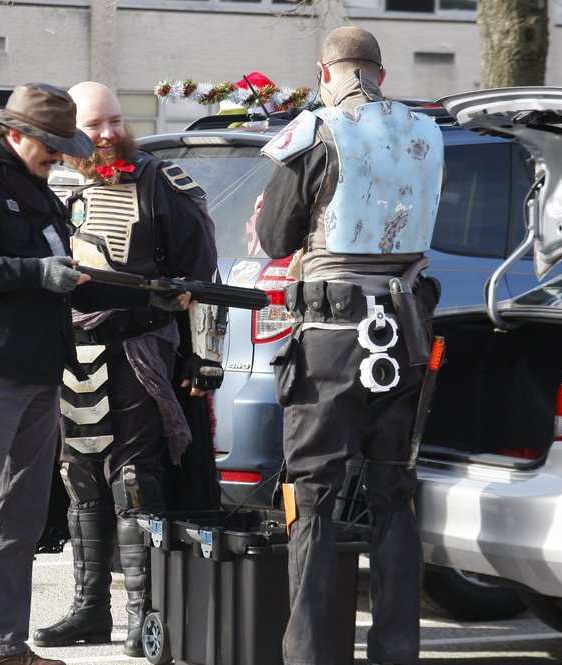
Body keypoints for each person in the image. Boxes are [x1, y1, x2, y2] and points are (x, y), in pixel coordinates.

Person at [0, 82, 178, 665]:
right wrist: (37, 273)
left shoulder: (35, 187)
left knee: (17, 520)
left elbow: (44, 264)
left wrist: (77, 277)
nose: (59, 154)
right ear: (15, 134)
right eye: (49, 143)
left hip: (39, 369)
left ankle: (0, 648)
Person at [255, 27, 445, 665]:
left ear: (324, 72)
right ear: (381, 74)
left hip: (333, 337)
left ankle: (309, 654)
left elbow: (278, 237)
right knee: (394, 490)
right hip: (407, 331)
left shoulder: (315, 131)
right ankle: (396, 650)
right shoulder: (428, 132)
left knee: (312, 494)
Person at [32, 81, 224, 657]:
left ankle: (147, 615)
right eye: (96, 126)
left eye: (116, 121)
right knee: (80, 478)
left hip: (140, 347)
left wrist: (205, 356)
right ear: (69, 130)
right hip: (70, 353)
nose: (110, 134)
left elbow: (203, 273)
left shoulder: (160, 181)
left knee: (136, 480)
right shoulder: (46, 183)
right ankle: (90, 609)